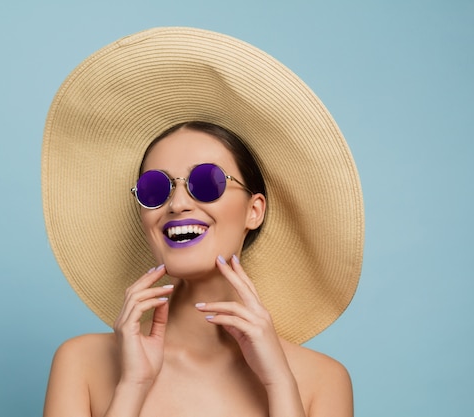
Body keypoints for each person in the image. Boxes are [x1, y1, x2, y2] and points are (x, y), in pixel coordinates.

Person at [41, 27, 364, 417]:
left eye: (205, 182)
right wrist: (133, 385)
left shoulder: (321, 380)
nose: (177, 203)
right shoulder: (82, 363)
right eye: (155, 188)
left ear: (254, 210)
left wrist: (279, 382)